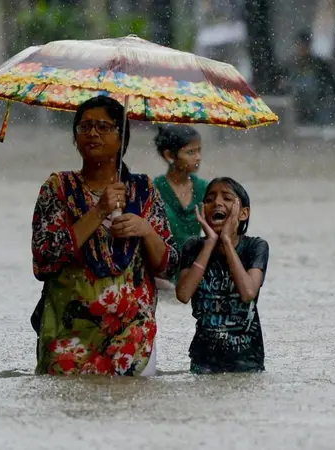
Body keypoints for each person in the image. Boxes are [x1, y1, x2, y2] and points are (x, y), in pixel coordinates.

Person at [30, 95, 178, 376]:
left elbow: (169, 266)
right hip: (68, 331)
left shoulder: (144, 190)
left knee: (129, 411)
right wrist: (98, 211)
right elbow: (44, 259)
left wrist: (145, 231)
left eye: (103, 126)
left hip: (132, 333)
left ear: (122, 137)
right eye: (84, 127)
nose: (92, 133)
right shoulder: (58, 188)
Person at [175, 178, 269, 374]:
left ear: (243, 213)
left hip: (246, 361)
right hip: (203, 361)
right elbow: (183, 294)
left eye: (227, 198)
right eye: (209, 199)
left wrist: (226, 240)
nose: (217, 203)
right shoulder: (193, 246)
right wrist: (210, 242)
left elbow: (248, 292)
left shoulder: (255, 247)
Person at [152, 125, 208, 288]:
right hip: (161, 277)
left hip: (193, 271)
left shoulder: (205, 189)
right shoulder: (153, 190)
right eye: (190, 152)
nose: (198, 157)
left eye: (199, 151)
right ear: (169, 155)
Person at [281, 29, 335, 125]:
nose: (302, 48)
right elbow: (282, 83)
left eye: (304, 45)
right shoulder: (291, 64)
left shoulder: (318, 63)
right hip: (296, 106)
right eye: (300, 45)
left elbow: (331, 84)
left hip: (315, 106)